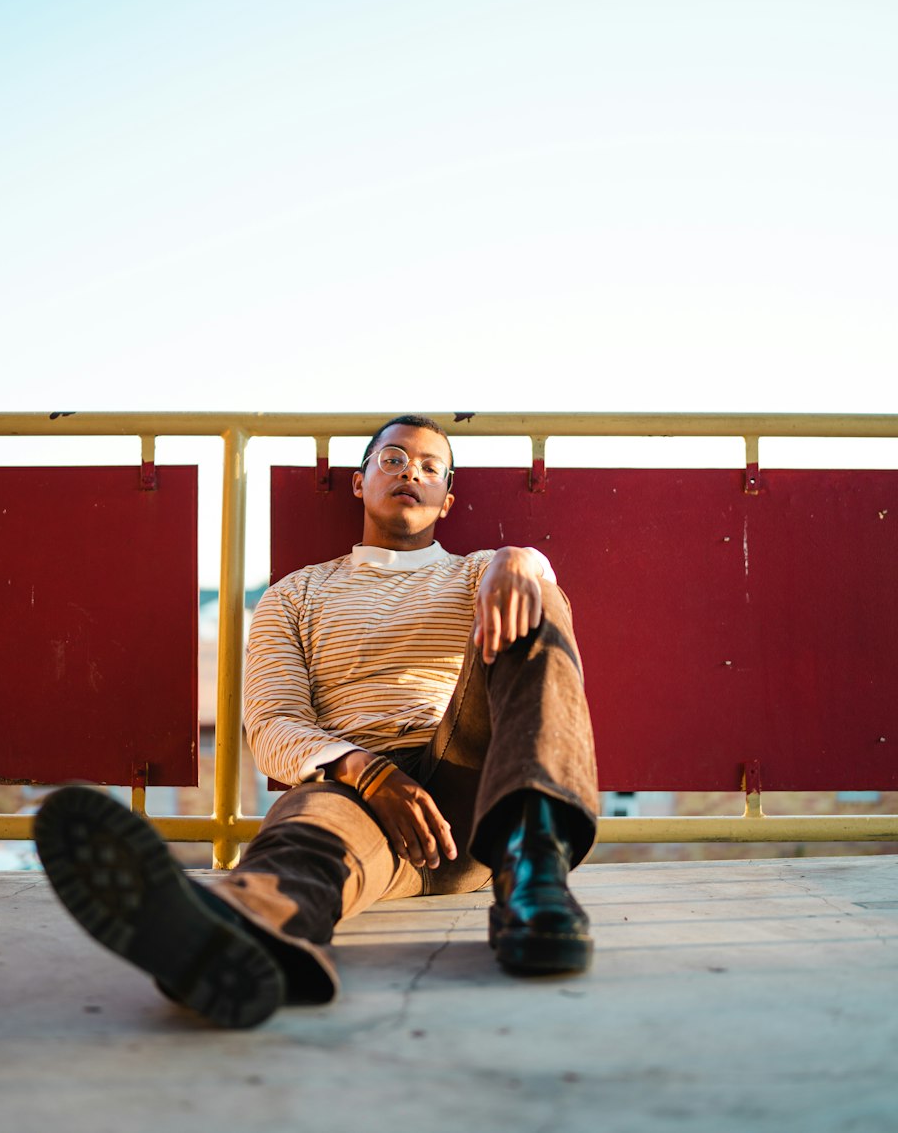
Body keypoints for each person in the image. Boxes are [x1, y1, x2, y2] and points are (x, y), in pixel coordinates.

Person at [35, 415, 599, 1029]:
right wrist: (366, 773)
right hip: (364, 798)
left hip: (480, 797)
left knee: (535, 602)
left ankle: (536, 870)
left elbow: (536, 628)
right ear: (359, 483)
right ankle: (236, 933)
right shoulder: (293, 595)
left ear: (447, 500)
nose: (412, 471)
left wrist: (520, 559)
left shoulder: (478, 572)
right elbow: (273, 724)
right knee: (309, 830)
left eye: (431, 467)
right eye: (392, 460)